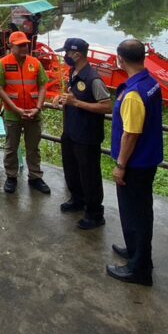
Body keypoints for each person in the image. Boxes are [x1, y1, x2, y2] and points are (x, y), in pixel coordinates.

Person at [106, 38, 163, 286]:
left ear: (120, 59)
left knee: (136, 214)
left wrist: (121, 166)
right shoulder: (151, 83)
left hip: (135, 164)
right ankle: (135, 251)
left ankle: (139, 269)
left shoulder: (133, 94)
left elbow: (131, 134)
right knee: (138, 213)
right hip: (147, 159)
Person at [55, 37, 112, 230]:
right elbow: (73, 96)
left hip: (87, 136)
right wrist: (62, 99)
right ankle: (77, 200)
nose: (65, 56)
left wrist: (76, 103)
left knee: (90, 176)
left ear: (77, 54)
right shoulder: (74, 72)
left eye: (67, 53)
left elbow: (107, 106)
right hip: (71, 132)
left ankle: (95, 214)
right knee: (71, 170)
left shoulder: (93, 79)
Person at [0, 31, 50, 195]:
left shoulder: (35, 63)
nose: (24, 48)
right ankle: (11, 177)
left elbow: (43, 86)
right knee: (11, 148)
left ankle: (35, 177)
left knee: (33, 148)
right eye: (20, 45)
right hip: (12, 114)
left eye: (25, 44)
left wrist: (37, 108)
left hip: (34, 113)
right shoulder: (3, 64)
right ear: (11, 46)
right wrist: (15, 109)